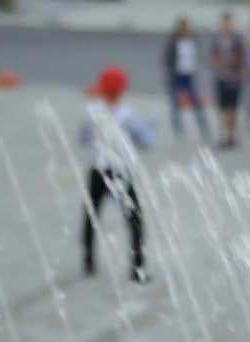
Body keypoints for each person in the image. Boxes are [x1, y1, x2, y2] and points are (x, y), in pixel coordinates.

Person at [79, 66, 156, 283]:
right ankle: (137, 267)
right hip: (119, 171)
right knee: (134, 220)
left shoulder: (91, 111)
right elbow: (145, 141)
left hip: (97, 169)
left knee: (91, 216)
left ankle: (88, 261)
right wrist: (152, 125)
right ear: (122, 89)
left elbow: (83, 138)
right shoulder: (128, 115)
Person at [163, 17, 210, 140]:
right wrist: (171, 71)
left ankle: (203, 128)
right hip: (177, 75)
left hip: (190, 75)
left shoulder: (193, 40)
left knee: (196, 102)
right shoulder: (173, 41)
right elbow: (167, 59)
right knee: (175, 104)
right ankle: (178, 131)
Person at [211, 13, 245, 149]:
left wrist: (229, 60)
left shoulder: (237, 40)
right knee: (222, 109)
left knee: (233, 109)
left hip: (234, 79)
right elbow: (213, 59)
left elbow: (242, 58)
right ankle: (224, 135)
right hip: (221, 77)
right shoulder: (217, 40)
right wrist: (221, 61)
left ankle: (231, 135)